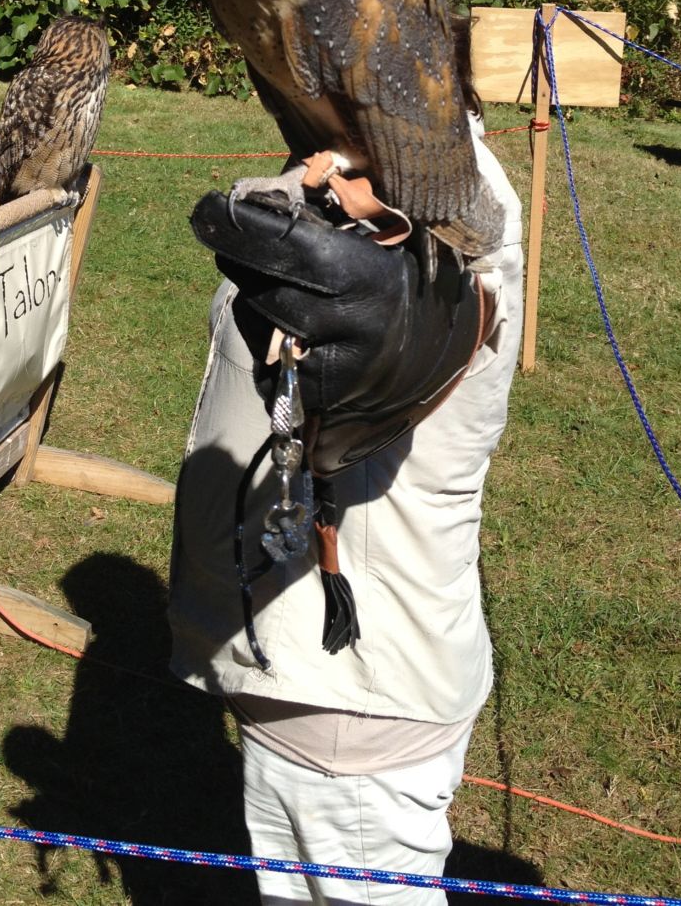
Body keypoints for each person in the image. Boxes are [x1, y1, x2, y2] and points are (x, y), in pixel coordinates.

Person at [168, 47, 523, 905]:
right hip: (313, 679)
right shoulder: (362, 183)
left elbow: (446, 299)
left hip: (352, 692)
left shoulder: (443, 216)